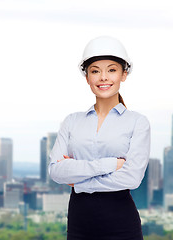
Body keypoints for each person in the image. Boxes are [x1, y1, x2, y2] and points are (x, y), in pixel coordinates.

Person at [48, 36, 151, 240]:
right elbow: (56, 171)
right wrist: (111, 164)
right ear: (87, 77)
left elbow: (132, 177)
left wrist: (79, 181)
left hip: (122, 226)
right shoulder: (72, 121)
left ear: (124, 74)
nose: (104, 77)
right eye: (95, 71)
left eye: (112, 70)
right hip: (79, 225)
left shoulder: (138, 122)